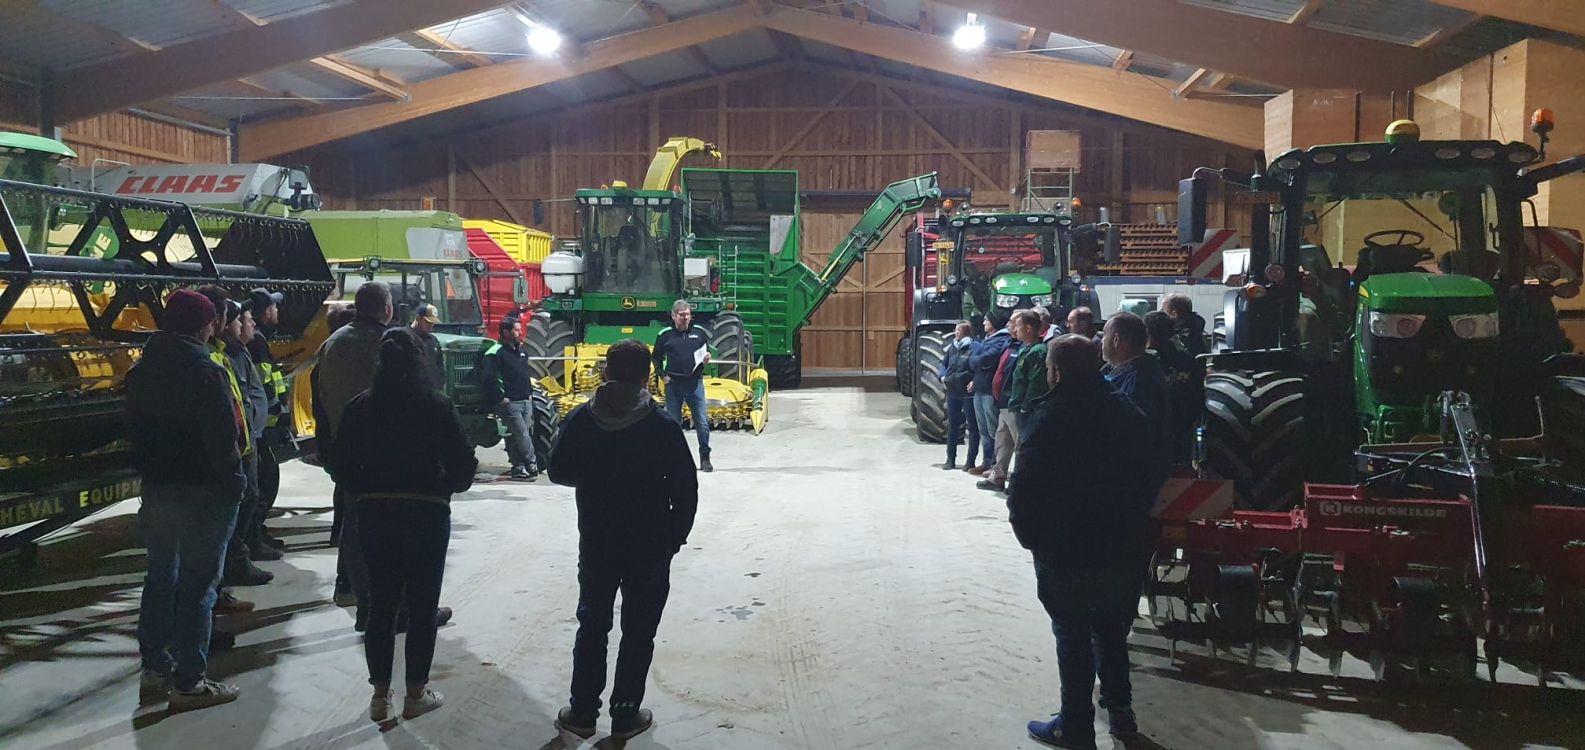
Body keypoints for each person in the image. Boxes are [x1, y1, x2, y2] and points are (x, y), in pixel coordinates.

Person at [548, 339, 699, 742]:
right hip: (649, 545)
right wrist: (675, 537)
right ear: (646, 374)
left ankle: (581, 713)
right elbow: (685, 488)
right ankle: (625, 714)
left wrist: (595, 477)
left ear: (607, 373)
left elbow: (558, 470)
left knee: (592, 625)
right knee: (638, 631)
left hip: (597, 541)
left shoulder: (581, 420)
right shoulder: (661, 424)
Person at [1011, 335, 1154, 748]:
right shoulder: (1127, 412)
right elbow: (1148, 475)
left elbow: (1025, 488)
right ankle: (1122, 716)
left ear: (1054, 371)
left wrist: (1030, 537)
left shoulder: (1048, 415)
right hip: (1119, 545)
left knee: (1072, 636)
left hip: (1065, 547)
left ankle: (1074, 727)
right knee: (1111, 631)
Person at [328, 328, 477, 723]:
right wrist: (442, 488)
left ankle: (380, 696)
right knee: (424, 605)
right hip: (426, 514)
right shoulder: (436, 405)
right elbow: (464, 467)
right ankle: (416, 693)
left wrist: (366, 491)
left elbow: (340, 466)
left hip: (376, 515)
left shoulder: (360, 406)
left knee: (381, 606)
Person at [126, 289, 245, 710]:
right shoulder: (205, 372)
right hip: (205, 492)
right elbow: (222, 437)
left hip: (158, 489)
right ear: (203, 325)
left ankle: (154, 669)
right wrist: (235, 481)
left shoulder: (140, 373)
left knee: (160, 579)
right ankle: (190, 681)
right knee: (197, 588)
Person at [316, 281, 393, 626]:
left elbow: (319, 398)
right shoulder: (388, 343)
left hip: (342, 444)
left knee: (351, 517)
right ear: (386, 308)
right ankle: (383, 603)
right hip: (383, 448)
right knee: (387, 529)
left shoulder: (331, 343)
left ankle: (347, 585)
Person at [194, 287, 272, 589]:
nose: (246, 324)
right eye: (238, 319)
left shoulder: (228, 356)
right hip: (233, 451)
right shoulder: (213, 361)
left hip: (244, 443)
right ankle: (215, 594)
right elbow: (223, 415)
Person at [1103, 312, 1173, 500]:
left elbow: (1133, 434)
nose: (1102, 342)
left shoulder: (1138, 381)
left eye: (1104, 336)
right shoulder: (1137, 371)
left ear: (1116, 339)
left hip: (1130, 483)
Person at [243, 288, 288, 558]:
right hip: (264, 427)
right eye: (274, 307)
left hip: (264, 425)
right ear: (266, 312)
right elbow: (262, 384)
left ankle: (258, 533)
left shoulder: (258, 339)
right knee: (264, 482)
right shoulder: (258, 342)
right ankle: (253, 539)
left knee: (265, 481)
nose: (278, 312)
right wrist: (277, 415)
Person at [652, 300, 713, 472]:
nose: (685, 318)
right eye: (681, 315)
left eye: (687, 314)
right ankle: (673, 459)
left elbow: (706, 353)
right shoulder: (665, 335)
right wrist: (662, 376)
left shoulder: (700, 333)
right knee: (673, 424)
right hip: (674, 386)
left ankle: (705, 457)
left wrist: (707, 358)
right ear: (673, 316)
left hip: (695, 384)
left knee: (702, 422)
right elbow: (655, 357)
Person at [480, 315, 540, 481]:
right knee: (522, 434)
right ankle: (532, 464)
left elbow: (524, 375)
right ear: (505, 332)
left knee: (519, 434)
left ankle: (518, 468)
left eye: (520, 329)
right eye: (516, 329)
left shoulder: (521, 352)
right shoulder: (494, 353)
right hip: (509, 403)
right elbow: (488, 378)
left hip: (525, 400)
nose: (520, 332)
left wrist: (528, 394)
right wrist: (501, 398)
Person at [979, 311, 1032, 492]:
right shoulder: (1009, 344)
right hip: (1002, 402)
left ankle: (1020, 481)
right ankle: (998, 476)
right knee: (1002, 440)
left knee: (1019, 444)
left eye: (1013, 323)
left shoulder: (1025, 348)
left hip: (1013, 403)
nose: (1010, 326)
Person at [1145, 310, 1200, 465]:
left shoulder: (1149, 360)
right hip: (1185, 418)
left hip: (1159, 425)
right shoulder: (1184, 353)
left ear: (1148, 332)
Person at [967, 316, 1013, 477]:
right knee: (983, 430)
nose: (984, 323)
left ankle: (995, 464)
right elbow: (975, 360)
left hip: (989, 391)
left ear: (994, 323)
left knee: (994, 430)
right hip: (979, 388)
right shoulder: (987, 340)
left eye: (987, 320)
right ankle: (986, 462)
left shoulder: (1001, 340)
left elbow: (985, 358)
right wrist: (976, 361)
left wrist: (975, 360)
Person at [939, 322, 980, 471]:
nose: (956, 332)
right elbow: (944, 364)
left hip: (967, 392)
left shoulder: (975, 347)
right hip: (952, 391)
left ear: (966, 332)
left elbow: (979, 367)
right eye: (956, 330)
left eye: (958, 330)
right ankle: (950, 459)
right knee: (952, 425)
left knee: (972, 426)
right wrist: (942, 376)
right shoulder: (952, 347)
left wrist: (974, 381)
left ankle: (970, 461)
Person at [1007, 309, 1051, 439]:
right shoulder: (1025, 349)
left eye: (1018, 326)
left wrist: (1025, 407)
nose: (1015, 329)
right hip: (1019, 406)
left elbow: (1035, 383)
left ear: (1028, 328)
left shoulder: (1038, 351)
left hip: (1029, 411)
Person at [410, 303, 447, 385]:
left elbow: (439, 366)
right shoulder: (406, 338)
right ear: (418, 318)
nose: (430, 327)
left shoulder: (433, 341)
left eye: (432, 323)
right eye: (427, 322)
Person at [1161, 293, 1207, 358]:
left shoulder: (1181, 337)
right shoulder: (1195, 328)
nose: (1161, 314)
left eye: (1163, 311)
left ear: (1174, 314)